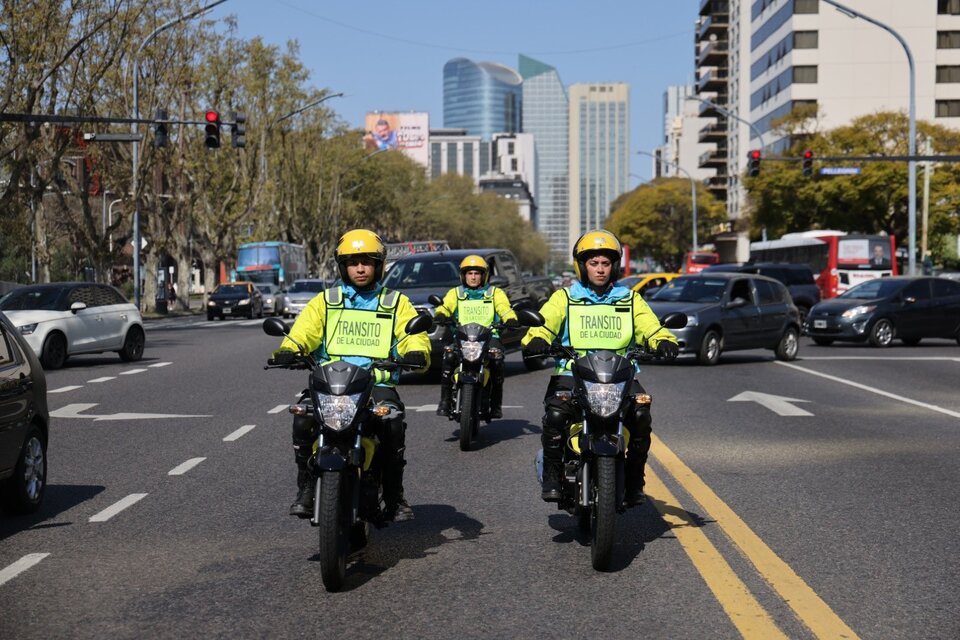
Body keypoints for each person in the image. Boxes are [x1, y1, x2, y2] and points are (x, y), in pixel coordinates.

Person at [272, 229, 430, 522]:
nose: (360, 268)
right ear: (342, 266)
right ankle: (307, 488)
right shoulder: (326, 301)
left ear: (379, 265)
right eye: (352, 262)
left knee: (392, 422)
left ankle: (394, 496)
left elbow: (412, 335)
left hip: (376, 385)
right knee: (302, 417)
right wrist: (289, 349)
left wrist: (416, 352)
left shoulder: (395, 302)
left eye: (367, 262)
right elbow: (303, 331)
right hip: (330, 384)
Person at [521, 229, 679, 506]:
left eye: (606, 263)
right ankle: (552, 477)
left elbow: (650, 328)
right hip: (572, 372)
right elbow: (545, 324)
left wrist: (663, 340)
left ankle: (634, 483)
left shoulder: (629, 299)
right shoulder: (565, 298)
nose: (600, 269)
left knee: (641, 416)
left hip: (619, 374)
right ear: (582, 266)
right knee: (556, 415)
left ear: (614, 266)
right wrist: (536, 338)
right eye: (594, 263)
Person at [434, 255, 519, 419]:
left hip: (489, 338)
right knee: (449, 356)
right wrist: (441, 314)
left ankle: (495, 405)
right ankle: (444, 401)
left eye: (477, 273)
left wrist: (510, 318)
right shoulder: (455, 293)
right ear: (463, 275)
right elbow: (445, 306)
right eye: (469, 273)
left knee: (496, 360)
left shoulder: (495, 293)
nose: (473, 277)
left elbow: (504, 308)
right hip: (462, 337)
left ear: (484, 275)